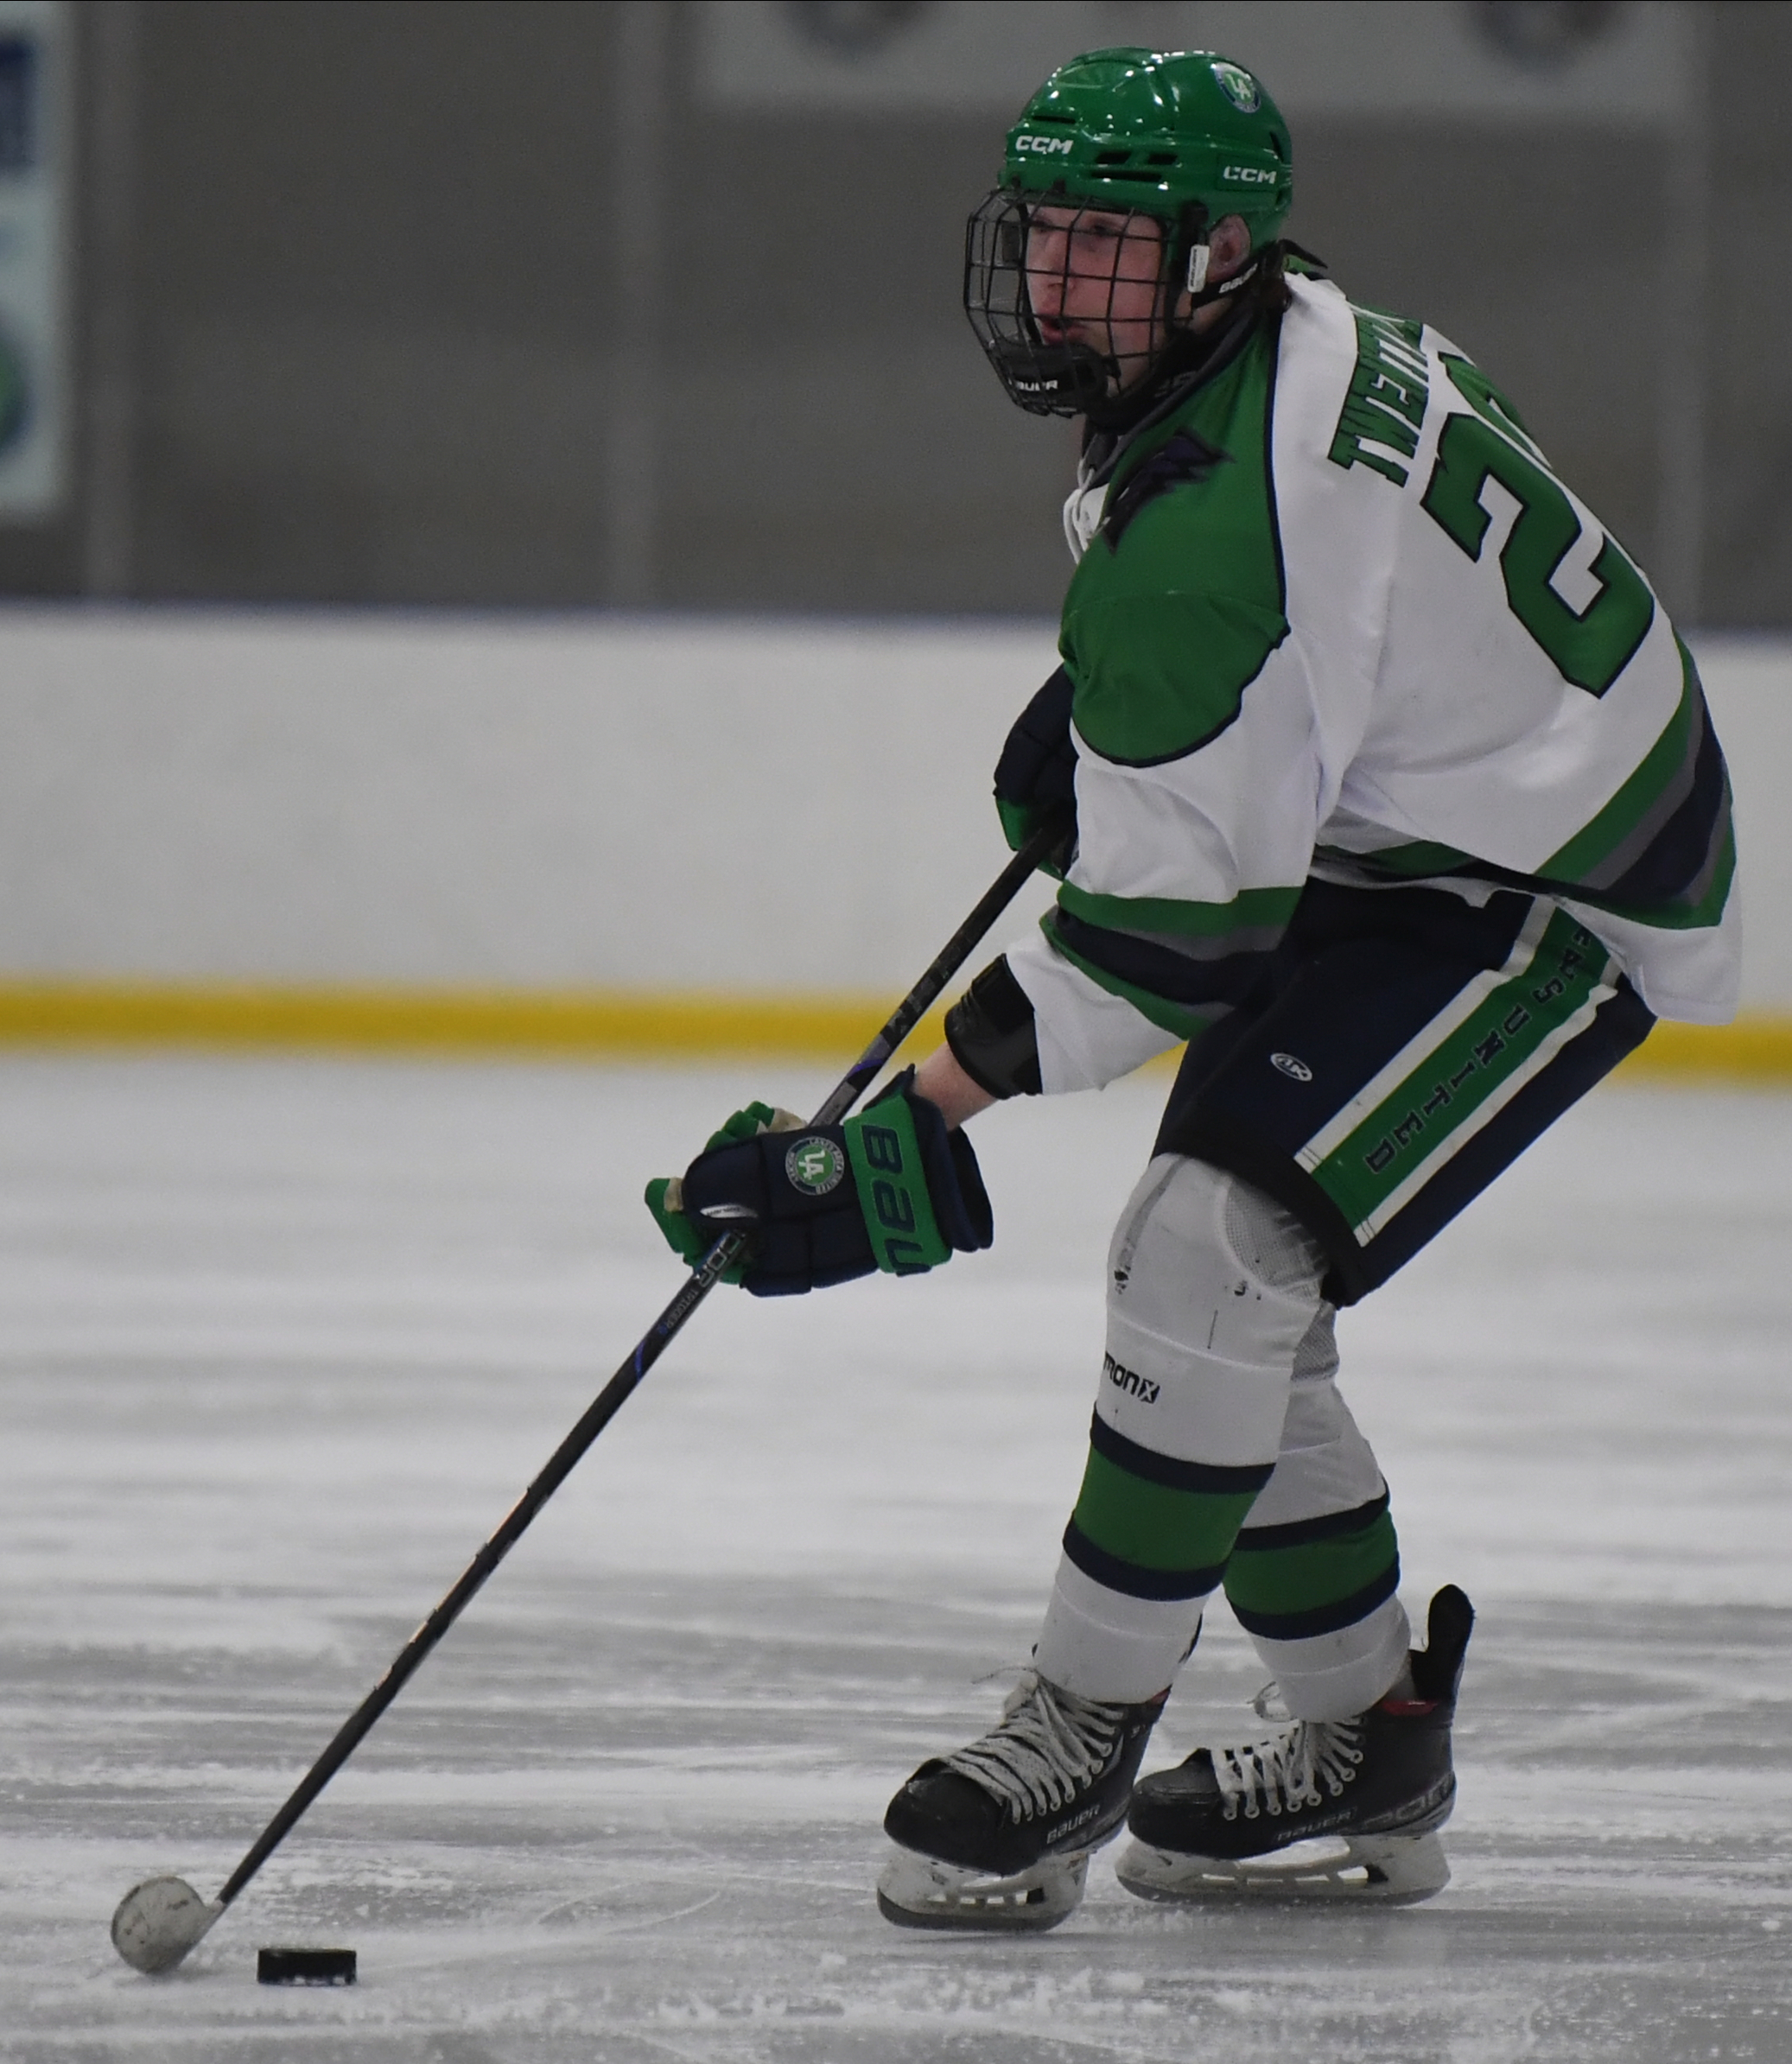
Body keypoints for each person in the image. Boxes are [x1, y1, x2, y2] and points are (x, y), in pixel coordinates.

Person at [646, 48, 1738, 1931]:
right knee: (1227, 1284)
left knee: (1212, 1248)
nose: (1057, 282)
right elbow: (1346, 618)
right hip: (1430, 823)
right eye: (1045, 232)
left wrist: (900, 1133)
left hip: (1558, 890)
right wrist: (1141, 733)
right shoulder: (1278, 339)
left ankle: (1078, 1725)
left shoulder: (1209, 533)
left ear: (1219, 251)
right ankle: (1362, 1736)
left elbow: (1172, 943)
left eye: (1103, 244)